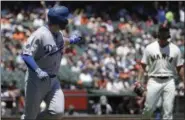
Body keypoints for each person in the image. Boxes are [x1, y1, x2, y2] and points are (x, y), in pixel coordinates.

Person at [21, 6, 82, 120]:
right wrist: (38, 70)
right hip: (36, 80)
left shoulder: (57, 34)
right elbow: (26, 55)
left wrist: (72, 40)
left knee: (57, 112)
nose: (67, 21)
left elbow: (62, 41)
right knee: (30, 116)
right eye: (65, 19)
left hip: (53, 81)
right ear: (60, 21)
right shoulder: (39, 34)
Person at [137, 24, 184, 119]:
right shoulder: (150, 48)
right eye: (162, 30)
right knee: (148, 108)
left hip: (169, 81)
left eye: (165, 31)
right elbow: (142, 66)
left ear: (168, 33)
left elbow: (180, 67)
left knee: (168, 109)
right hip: (154, 80)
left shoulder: (175, 49)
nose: (163, 32)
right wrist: (139, 81)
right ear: (158, 33)